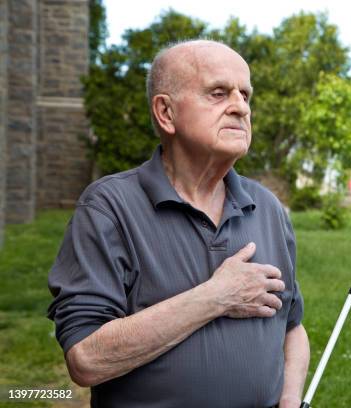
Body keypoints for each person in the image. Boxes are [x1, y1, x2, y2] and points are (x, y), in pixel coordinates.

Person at [47, 40, 309, 408]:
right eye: (219, 93)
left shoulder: (267, 208)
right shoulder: (109, 207)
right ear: (166, 113)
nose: (241, 107)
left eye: (245, 95)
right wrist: (216, 296)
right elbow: (86, 360)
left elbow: (292, 326)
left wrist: (291, 399)